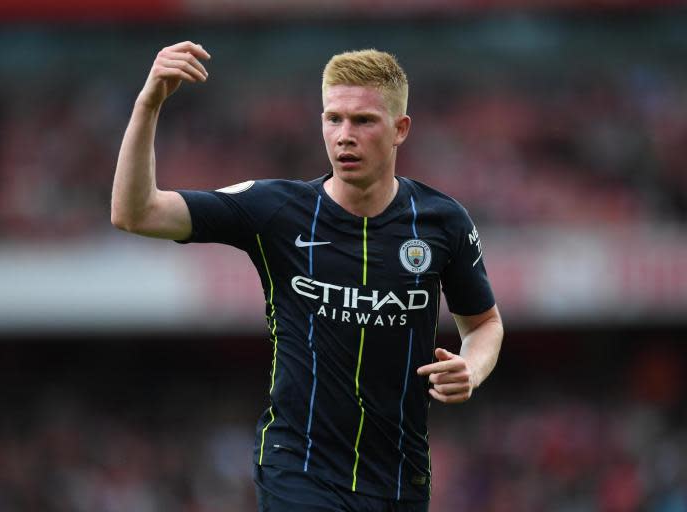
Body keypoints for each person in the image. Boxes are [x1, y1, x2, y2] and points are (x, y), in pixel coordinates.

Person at [112, 41, 503, 512]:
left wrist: (471, 368)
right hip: (298, 467)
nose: (344, 135)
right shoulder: (276, 210)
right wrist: (148, 102)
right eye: (333, 118)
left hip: (400, 476)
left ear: (400, 129)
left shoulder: (443, 222)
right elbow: (136, 212)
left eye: (363, 121)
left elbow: (483, 324)